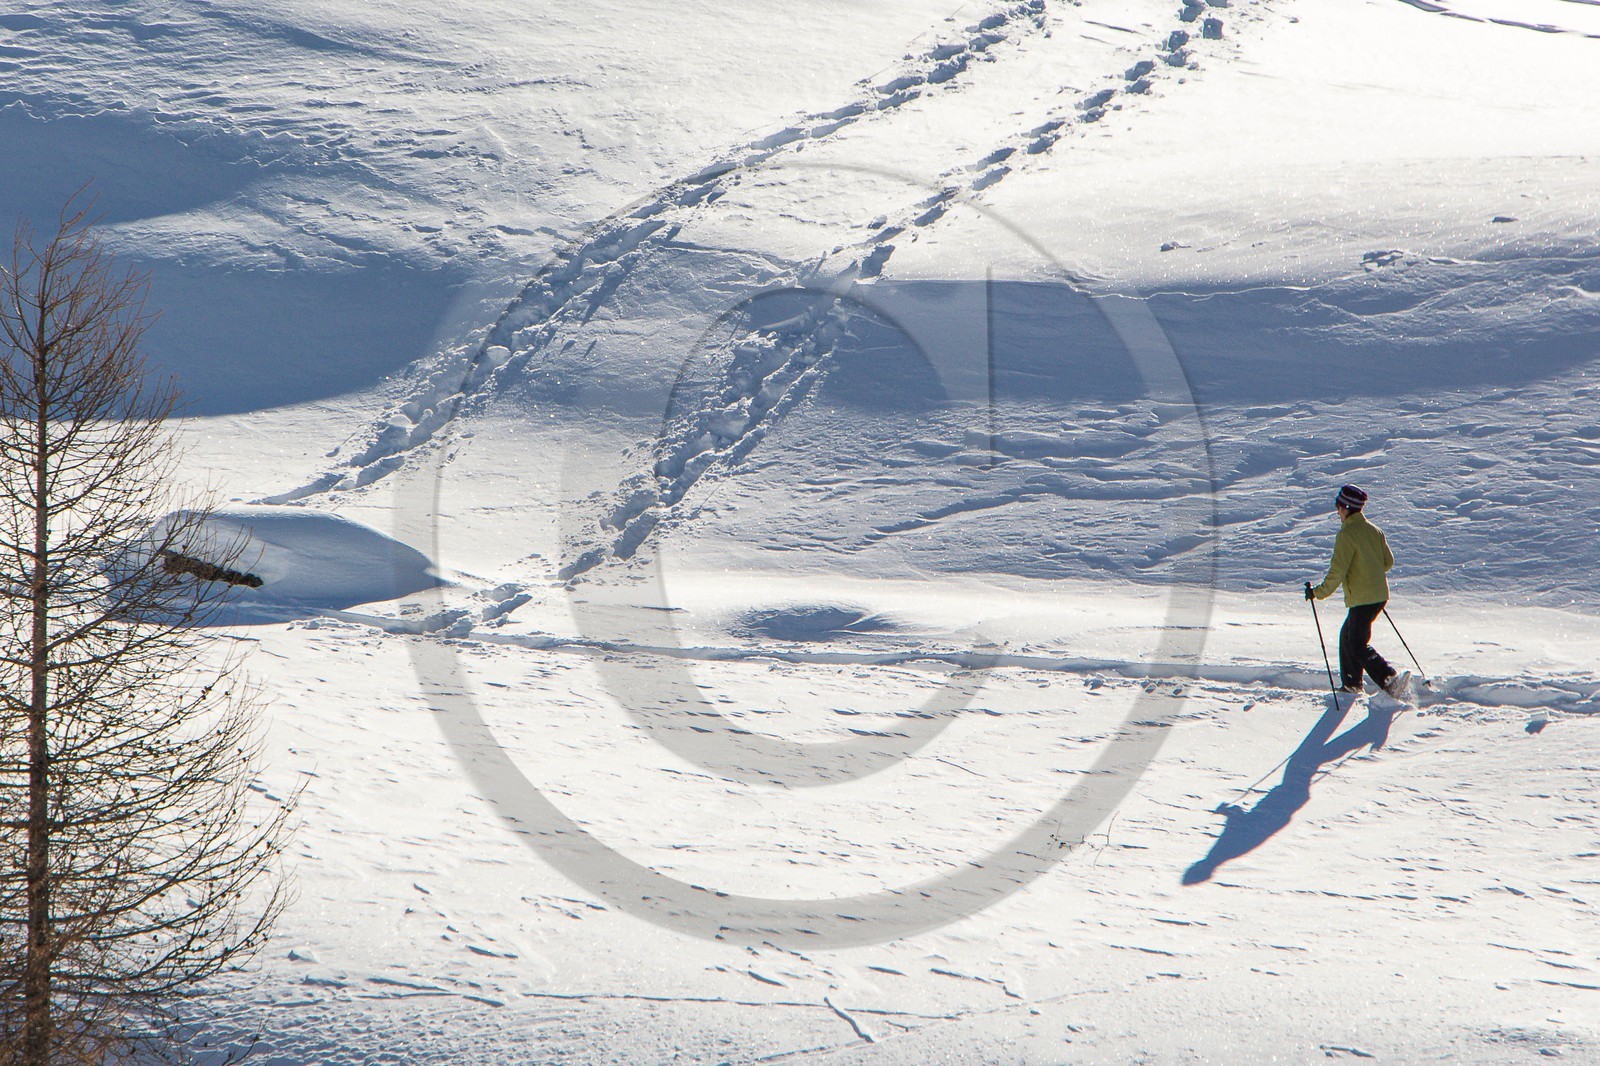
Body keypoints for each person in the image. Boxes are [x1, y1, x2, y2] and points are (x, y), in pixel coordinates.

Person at [1304, 484, 1405, 696]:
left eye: (1338, 507)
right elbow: (1388, 562)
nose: (1337, 512)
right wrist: (1368, 571)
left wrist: (1317, 593)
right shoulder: (1374, 530)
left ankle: (1389, 678)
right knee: (1347, 637)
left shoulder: (1347, 535)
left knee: (1356, 644)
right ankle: (1352, 683)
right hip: (1378, 596)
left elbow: (1337, 572)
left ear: (1347, 508)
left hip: (1363, 598)